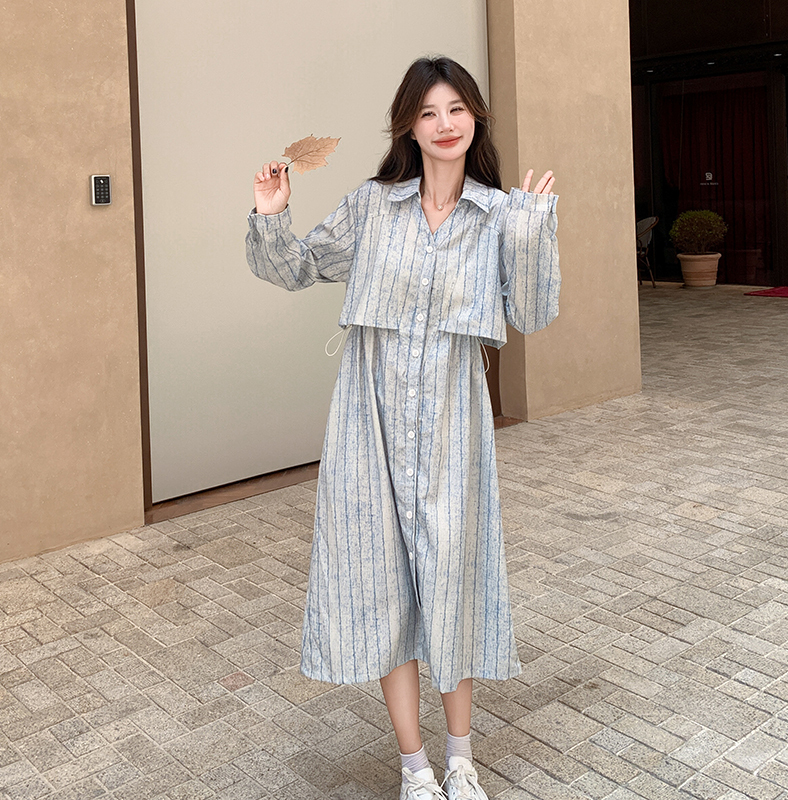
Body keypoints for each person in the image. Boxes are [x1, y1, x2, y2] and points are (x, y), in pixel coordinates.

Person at [246, 56, 559, 800]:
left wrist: (533, 232)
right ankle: (415, 765)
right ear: (408, 128)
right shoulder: (372, 207)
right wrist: (271, 213)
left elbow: (532, 313)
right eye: (428, 112)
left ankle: (461, 759)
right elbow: (295, 268)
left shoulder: (500, 215)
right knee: (383, 585)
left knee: (453, 581)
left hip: (454, 426)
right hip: (369, 425)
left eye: (456, 109)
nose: (444, 124)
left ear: (475, 117)